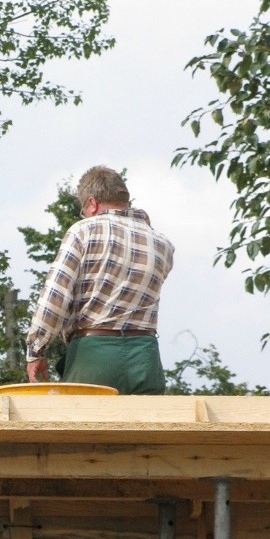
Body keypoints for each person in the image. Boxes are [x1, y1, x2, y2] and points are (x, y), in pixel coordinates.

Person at [25, 165, 174, 394]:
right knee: (145, 428)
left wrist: (36, 350)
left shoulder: (83, 231)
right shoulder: (161, 244)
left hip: (94, 356)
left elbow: (55, 297)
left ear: (92, 203)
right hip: (145, 357)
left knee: (84, 427)